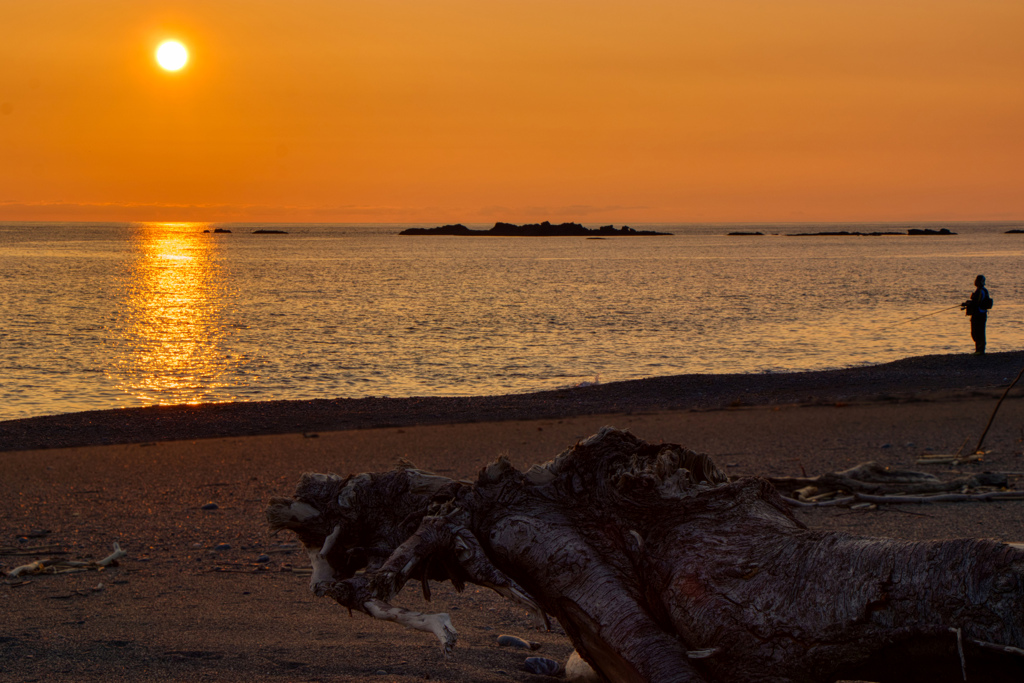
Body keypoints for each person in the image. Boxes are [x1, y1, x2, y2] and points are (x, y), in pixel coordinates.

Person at [962, 275, 993, 354]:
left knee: (977, 332)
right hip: (981, 314)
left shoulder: (980, 291)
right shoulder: (983, 290)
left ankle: (980, 350)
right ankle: (979, 349)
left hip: (979, 315)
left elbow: (976, 303)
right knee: (978, 332)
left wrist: (967, 304)